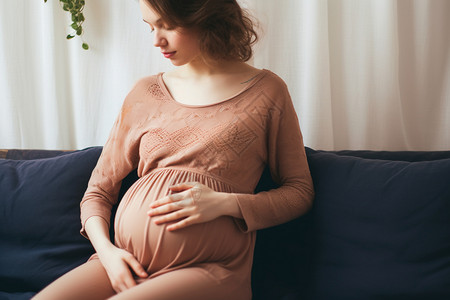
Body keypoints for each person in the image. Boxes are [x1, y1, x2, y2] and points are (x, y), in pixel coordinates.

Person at [33, 0, 314, 299]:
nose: (157, 40)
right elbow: (98, 193)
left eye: (167, 25)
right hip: (124, 262)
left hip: (208, 270)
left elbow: (299, 192)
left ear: (206, 16)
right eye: (151, 27)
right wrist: (109, 253)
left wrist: (224, 203)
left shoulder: (267, 92)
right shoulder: (145, 93)